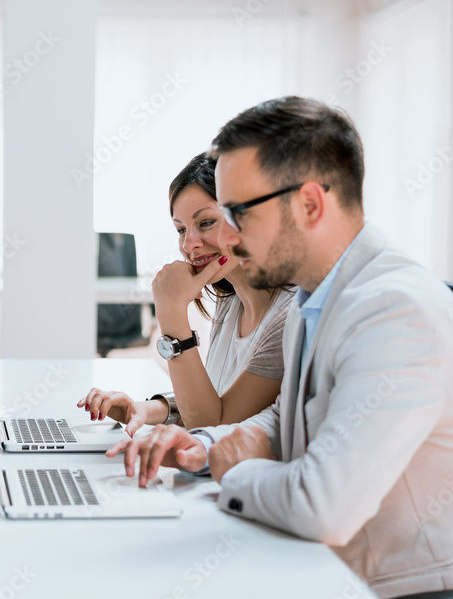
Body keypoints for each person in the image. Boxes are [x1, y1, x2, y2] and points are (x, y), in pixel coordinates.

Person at [110, 96, 453, 599]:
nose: (225, 236)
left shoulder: (397, 312)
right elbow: (293, 417)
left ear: (310, 204)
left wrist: (237, 468)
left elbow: (322, 506)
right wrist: (205, 445)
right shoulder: (317, 294)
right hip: (337, 574)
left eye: (238, 213)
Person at [77, 154, 293, 436]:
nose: (189, 244)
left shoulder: (287, 318)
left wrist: (172, 313)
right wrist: (143, 409)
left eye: (205, 223)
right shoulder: (232, 302)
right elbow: (212, 399)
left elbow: (210, 428)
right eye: (181, 229)